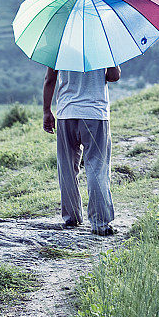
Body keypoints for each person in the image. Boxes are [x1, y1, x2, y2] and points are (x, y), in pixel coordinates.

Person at [43, 65, 121, 235]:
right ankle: (100, 223)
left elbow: (50, 79)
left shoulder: (60, 44)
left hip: (66, 113)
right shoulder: (102, 43)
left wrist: (46, 111)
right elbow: (114, 76)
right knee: (97, 168)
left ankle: (71, 218)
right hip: (95, 114)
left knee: (67, 169)